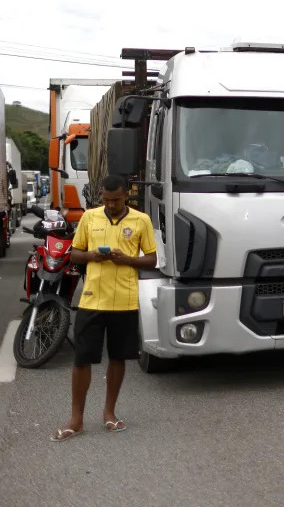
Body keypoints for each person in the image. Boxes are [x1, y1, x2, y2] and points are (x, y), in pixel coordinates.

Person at [51, 175, 157, 442]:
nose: (110, 205)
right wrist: (92, 256)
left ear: (126, 196)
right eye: (106, 200)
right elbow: (75, 253)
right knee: (81, 359)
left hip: (124, 300)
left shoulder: (141, 220)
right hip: (91, 299)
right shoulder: (90, 217)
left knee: (118, 358)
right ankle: (76, 419)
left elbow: (152, 260)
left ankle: (109, 413)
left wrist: (128, 260)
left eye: (116, 200)